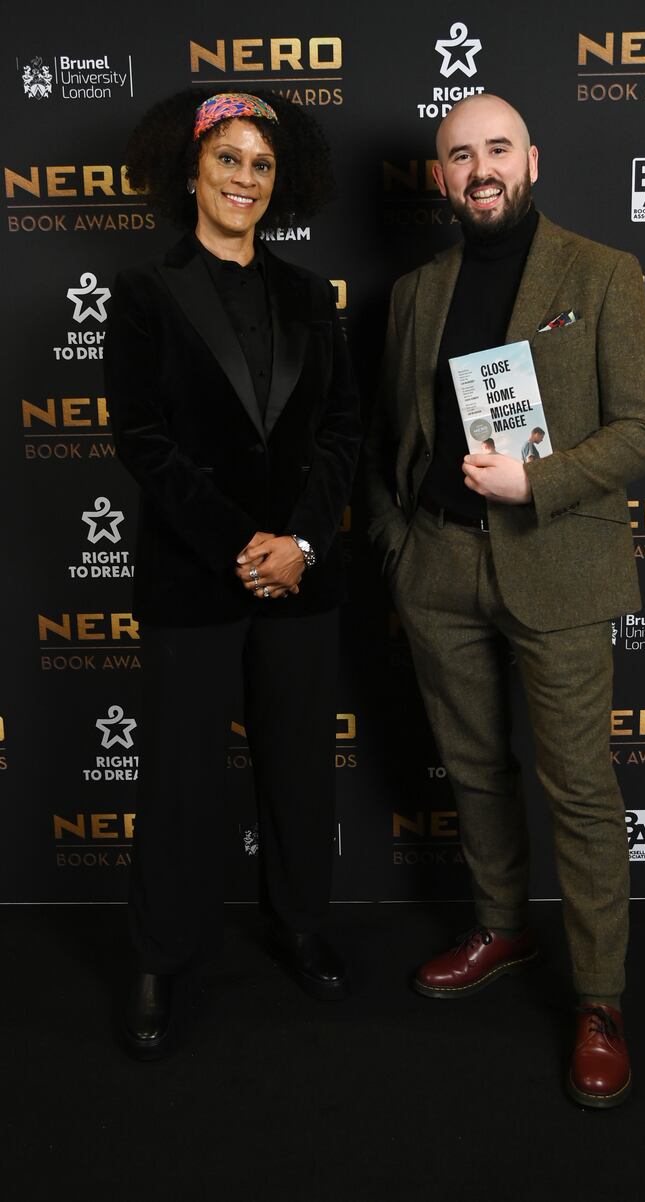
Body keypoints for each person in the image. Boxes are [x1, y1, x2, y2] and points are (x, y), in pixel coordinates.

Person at [364, 94, 645, 1108]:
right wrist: (400, 544)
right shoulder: (416, 288)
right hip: (440, 569)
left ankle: (598, 997)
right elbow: (384, 438)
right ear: (441, 176)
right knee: (471, 766)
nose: (478, 167)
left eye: (496, 148)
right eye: (459, 154)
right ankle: (501, 923)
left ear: (529, 159)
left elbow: (642, 429)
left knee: (578, 787)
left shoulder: (599, 272)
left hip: (556, 564)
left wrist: (533, 484)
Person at [105, 89, 360, 1059]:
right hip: (190, 574)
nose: (244, 178)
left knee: (297, 763)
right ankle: (159, 954)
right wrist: (235, 545)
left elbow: (340, 430)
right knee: (177, 779)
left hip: (300, 574)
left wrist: (297, 542)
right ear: (190, 169)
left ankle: (300, 920)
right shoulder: (143, 294)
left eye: (260, 164)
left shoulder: (308, 295)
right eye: (227, 160)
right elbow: (143, 440)